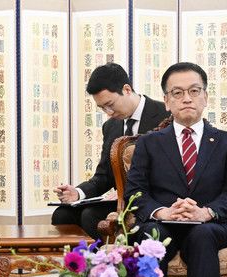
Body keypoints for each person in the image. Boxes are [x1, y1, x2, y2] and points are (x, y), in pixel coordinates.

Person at [125, 62, 227, 277]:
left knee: (203, 234)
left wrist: (206, 212)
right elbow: (135, 192)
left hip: (213, 224)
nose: (187, 99)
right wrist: (163, 212)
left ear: (205, 97)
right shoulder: (148, 143)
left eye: (194, 91)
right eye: (177, 93)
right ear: (167, 101)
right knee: (154, 235)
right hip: (162, 223)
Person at [52, 62, 170, 240]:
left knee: (90, 216)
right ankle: (80, 267)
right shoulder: (111, 126)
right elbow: (104, 177)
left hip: (153, 200)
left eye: (110, 104)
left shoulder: (165, 114)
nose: (108, 112)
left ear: (127, 89)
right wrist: (77, 193)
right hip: (121, 202)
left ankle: (109, 265)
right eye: (102, 108)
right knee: (62, 214)